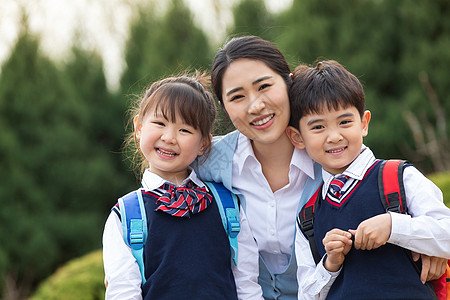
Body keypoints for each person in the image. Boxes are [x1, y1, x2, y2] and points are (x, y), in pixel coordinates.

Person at [195, 36, 448, 300]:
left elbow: (388, 198)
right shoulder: (210, 160)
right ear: (223, 106)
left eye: (264, 86)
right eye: (237, 97)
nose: (256, 105)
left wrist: (427, 244)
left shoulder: (332, 156)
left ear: (288, 82)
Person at [286, 60, 450, 299]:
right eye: (318, 127)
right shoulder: (308, 217)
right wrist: (329, 264)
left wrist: (394, 226)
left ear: (363, 123)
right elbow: (306, 294)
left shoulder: (398, 177)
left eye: (344, 122)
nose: (334, 136)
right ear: (297, 137)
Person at [102, 73, 238, 300]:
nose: (169, 137)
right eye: (159, 123)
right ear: (139, 127)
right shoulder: (126, 216)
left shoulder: (227, 205)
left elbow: (247, 286)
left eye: (184, 130)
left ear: (204, 143)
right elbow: (123, 293)